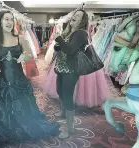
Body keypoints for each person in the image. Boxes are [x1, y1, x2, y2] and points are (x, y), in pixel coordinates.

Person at [0, 10, 59, 147]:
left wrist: (24, 56)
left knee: (21, 104)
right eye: (6, 19)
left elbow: (29, 54)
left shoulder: (20, 38)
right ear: (0, 22)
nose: (9, 22)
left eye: (11, 19)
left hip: (17, 78)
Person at [52, 9, 89, 139]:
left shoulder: (81, 33)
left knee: (67, 96)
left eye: (78, 16)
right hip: (62, 68)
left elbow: (70, 50)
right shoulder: (69, 31)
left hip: (71, 70)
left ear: (82, 21)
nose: (75, 17)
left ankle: (69, 128)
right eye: (75, 15)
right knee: (59, 91)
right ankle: (63, 112)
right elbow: (62, 47)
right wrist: (58, 44)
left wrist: (59, 39)